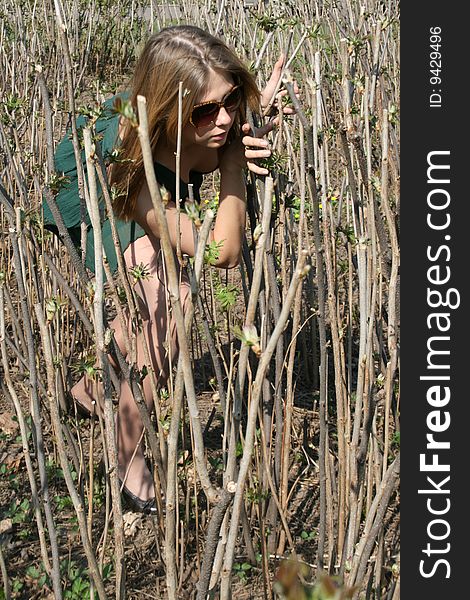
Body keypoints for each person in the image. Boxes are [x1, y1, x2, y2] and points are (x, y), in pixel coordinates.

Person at [44, 25, 290, 514]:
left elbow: (232, 118)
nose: (223, 118)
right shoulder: (130, 174)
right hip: (113, 186)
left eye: (231, 98)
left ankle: (88, 391)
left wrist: (259, 113)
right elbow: (221, 250)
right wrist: (236, 165)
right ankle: (129, 466)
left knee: (155, 306)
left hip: (165, 160)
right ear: (170, 109)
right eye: (205, 111)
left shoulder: (222, 113)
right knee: (166, 301)